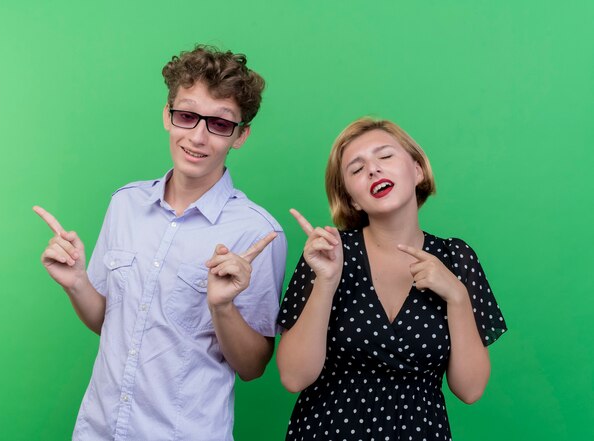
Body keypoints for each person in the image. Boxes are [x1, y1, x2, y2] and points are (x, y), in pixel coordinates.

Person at [33, 45, 286, 441]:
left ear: (240, 136)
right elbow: (110, 322)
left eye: (220, 124)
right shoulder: (125, 204)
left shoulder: (257, 233)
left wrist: (221, 307)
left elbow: (253, 366)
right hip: (98, 430)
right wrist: (77, 283)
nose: (198, 137)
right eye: (187, 116)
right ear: (167, 116)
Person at [276, 117, 507, 440]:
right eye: (356, 169)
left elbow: (470, 390)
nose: (372, 170)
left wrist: (457, 297)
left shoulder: (456, 258)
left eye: (385, 156)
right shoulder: (328, 252)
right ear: (353, 199)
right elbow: (293, 377)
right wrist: (326, 282)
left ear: (417, 170)